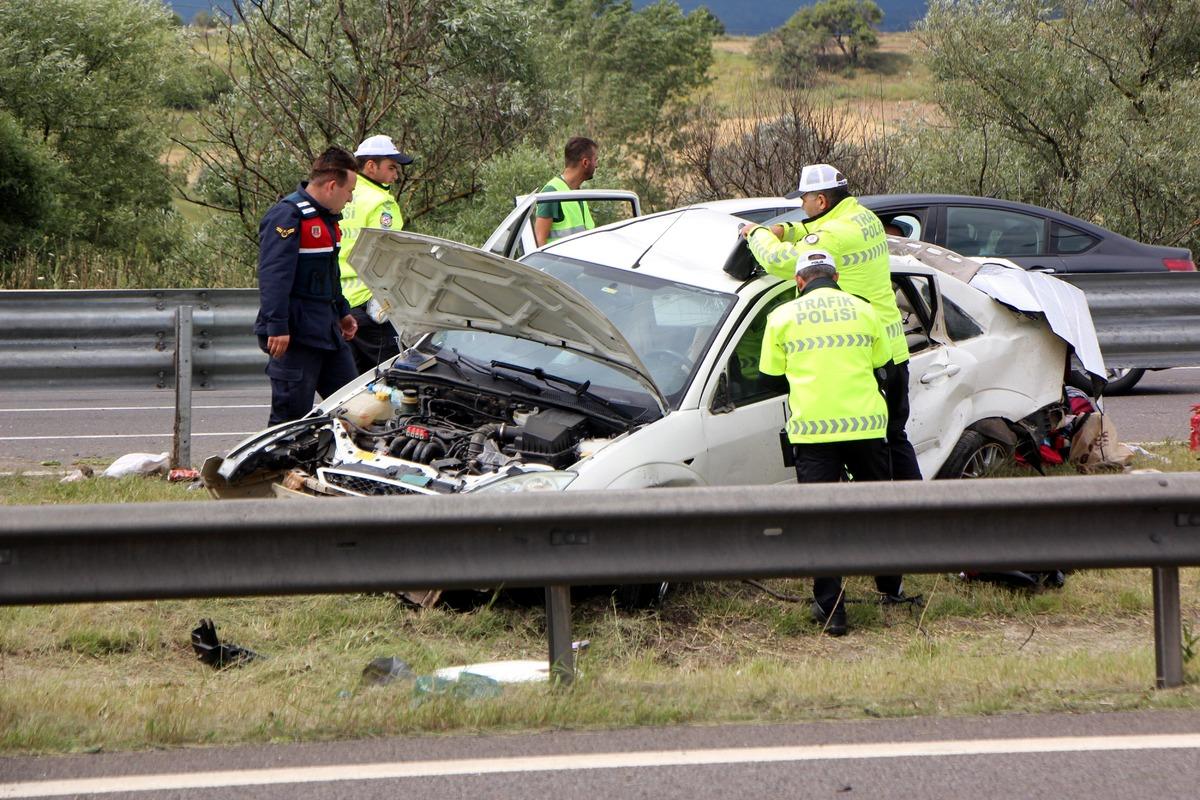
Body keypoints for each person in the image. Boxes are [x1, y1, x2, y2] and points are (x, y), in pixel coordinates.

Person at [742, 163, 922, 482]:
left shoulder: (834, 235)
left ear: (821, 201)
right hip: (890, 348)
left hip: (864, 353)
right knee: (893, 439)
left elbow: (782, 261)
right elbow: (819, 233)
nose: (802, 205)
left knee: (876, 445)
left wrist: (755, 234)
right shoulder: (863, 218)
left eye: (805, 199)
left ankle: (891, 514)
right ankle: (918, 513)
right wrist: (788, 230)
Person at [759, 252, 902, 636]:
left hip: (814, 432)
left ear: (799, 281)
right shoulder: (865, 309)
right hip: (867, 427)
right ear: (836, 276)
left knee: (821, 519)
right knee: (878, 508)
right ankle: (891, 586)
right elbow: (882, 365)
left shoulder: (782, 317)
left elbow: (771, 377)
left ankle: (831, 610)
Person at [255, 147, 360, 426]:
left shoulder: (326, 218)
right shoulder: (288, 216)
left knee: (355, 405)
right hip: (296, 334)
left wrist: (342, 311)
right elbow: (273, 277)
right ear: (331, 185)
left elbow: (329, 273)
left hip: (327, 331)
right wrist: (277, 326)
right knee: (291, 417)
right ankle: (279, 469)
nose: (350, 199)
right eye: (349, 191)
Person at [338, 134, 415, 374]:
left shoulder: (343, 195)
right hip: (369, 301)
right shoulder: (382, 202)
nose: (396, 175)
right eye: (391, 167)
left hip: (339, 302)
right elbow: (388, 254)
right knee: (392, 376)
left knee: (350, 382)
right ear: (371, 166)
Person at [534, 137, 599, 247]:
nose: (597, 165)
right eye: (595, 160)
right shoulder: (552, 193)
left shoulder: (577, 192)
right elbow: (540, 243)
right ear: (585, 162)